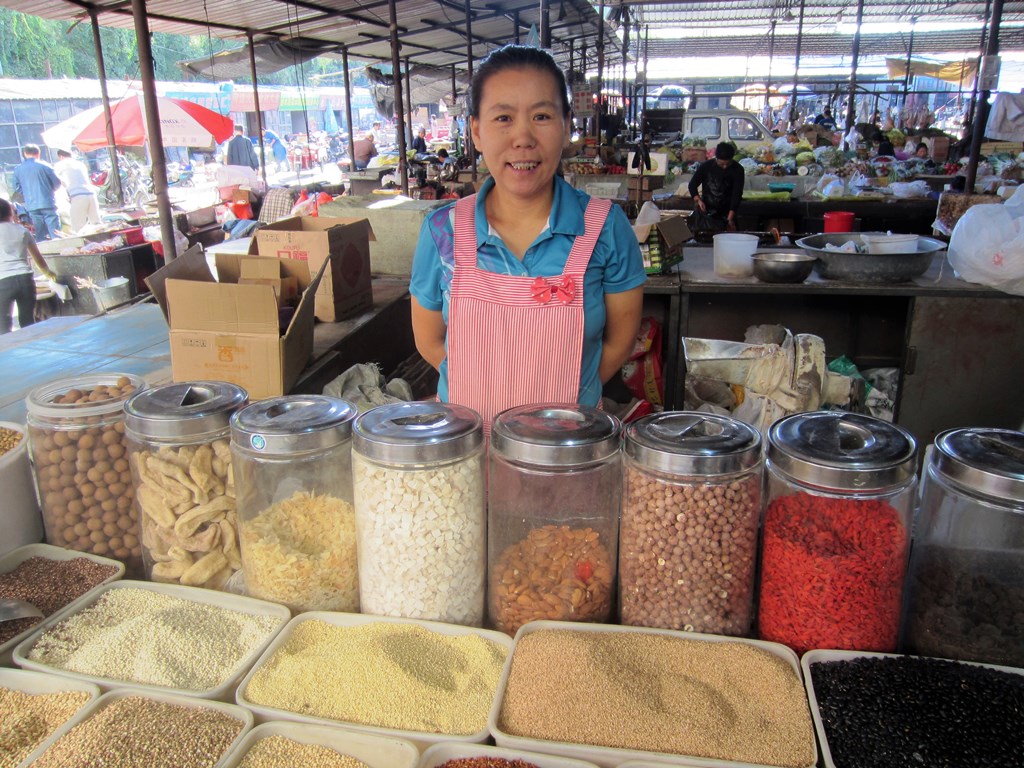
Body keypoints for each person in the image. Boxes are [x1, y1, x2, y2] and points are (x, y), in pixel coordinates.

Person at [409, 44, 646, 430]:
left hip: (568, 452)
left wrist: (574, 389)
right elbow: (430, 341)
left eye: (541, 116)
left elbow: (620, 340)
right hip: (468, 449)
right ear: (476, 131)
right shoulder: (443, 231)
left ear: (567, 126)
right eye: (503, 117)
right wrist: (481, 386)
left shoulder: (605, 227)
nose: (523, 137)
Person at [0, 197, 57, 334]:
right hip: (26, 280)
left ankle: (9, 353)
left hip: (3, 282)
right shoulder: (21, 230)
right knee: (28, 323)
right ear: (10, 212)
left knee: (3, 326)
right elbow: (38, 259)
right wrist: (49, 273)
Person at [688, 142, 744, 232]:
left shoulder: (738, 170)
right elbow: (692, 185)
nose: (725, 167)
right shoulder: (706, 167)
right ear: (716, 159)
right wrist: (698, 200)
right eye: (722, 164)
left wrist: (729, 219)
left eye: (728, 164)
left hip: (728, 211)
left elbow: (737, 195)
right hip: (708, 210)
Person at [12, 145, 62, 241]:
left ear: (25, 154)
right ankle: (59, 250)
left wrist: (27, 193)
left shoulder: (18, 169)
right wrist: (48, 190)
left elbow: (17, 187)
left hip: (31, 205)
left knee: (40, 234)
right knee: (56, 233)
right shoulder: (45, 166)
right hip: (48, 202)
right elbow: (57, 183)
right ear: (38, 153)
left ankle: (43, 253)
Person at [54, 149, 101, 234]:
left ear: (60, 156)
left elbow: (57, 180)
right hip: (91, 194)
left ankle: (86, 246)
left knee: (79, 227)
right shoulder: (80, 164)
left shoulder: (59, 165)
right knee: (97, 224)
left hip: (77, 195)